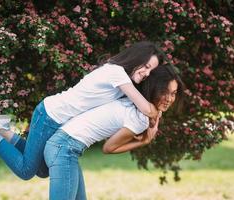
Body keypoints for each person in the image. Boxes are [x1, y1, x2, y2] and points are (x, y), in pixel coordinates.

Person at [0, 41, 164, 179]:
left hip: (57, 119)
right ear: (136, 59)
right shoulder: (117, 73)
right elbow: (147, 108)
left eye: (151, 71)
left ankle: (1, 130)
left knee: (43, 170)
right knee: (26, 171)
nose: (146, 73)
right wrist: (156, 115)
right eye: (145, 66)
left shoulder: (122, 82)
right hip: (50, 114)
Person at [44, 64, 184, 199]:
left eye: (173, 93)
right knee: (28, 170)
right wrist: (144, 141)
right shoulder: (140, 118)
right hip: (64, 148)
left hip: (64, 146)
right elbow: (108, 148)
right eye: (164, 92)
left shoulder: (133, 100)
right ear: (154, 89)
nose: (169, 99)